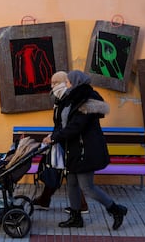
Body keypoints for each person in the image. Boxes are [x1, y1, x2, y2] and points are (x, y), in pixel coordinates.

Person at [43, 70, 128, 230]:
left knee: (87, 187)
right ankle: (76, 217)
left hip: (85, 150)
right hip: (74, 150)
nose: (65, 85)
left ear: (76, 82)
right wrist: (54, 134)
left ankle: (116, 210)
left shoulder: (87, 100)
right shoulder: (71, 99)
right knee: (72, 184)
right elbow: (63, 124)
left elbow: (76, 126)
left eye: (68, 82)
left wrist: (55, 138)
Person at [32, 71, 89, 213]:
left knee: (64, 172)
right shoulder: (59, 100)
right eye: (51, 83)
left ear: (65, 83)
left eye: (55, 83)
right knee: (55, 168)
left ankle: (81, 204)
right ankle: (45, 199)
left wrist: (55, 137)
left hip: (69, 142)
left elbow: (70, 125)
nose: (52, 86)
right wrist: (53, 135)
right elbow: (59, 123)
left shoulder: (69, 99)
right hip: (61, 139)